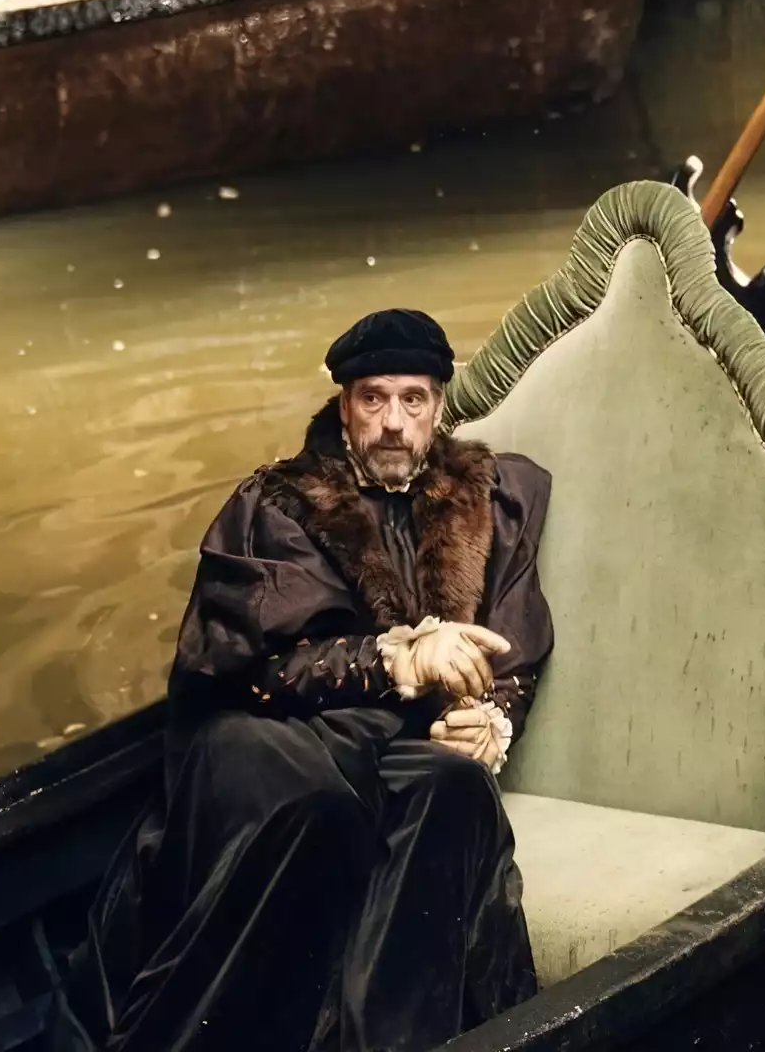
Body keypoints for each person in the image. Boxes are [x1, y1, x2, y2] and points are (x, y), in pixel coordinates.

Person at [60, 308, 553, 1052]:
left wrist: (489, 718)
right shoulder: (277, 506)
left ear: (438, 406)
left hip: (390, 744)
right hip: (267, 732)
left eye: (412, 400)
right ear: (344, 405)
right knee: (315, 806)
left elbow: (513, 643)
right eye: (373, 399)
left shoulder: (489, 498)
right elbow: (250, 664)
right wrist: (394, 659)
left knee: (454, 789)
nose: (393, 423)